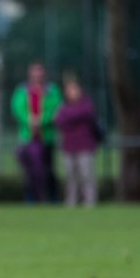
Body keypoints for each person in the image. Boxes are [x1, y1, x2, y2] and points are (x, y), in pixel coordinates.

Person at [10, 62, 62, 203]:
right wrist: (29, 120)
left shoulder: (52, 90)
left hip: (46, 136)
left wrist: (41, 120)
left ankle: (52, 197)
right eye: (34, 72)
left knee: (48, 169)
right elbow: (17, 107)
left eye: (40, 72)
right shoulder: (22, 90)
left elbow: (56, 109)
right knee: (30, 170)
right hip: (28, 136)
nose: (37, 75)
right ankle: (31, 197)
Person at [52, 76, 99, 206]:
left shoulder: (86, 104)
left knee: (86, 175)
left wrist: (69, 116)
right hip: (68, 146)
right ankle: (71, 201)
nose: (72, 92)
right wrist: (73, 117)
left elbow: (83, 114)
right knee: (71, 177)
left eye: (74, 89)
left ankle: (90, 201)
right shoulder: (63, 106)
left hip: (85, 145)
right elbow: (57, 121)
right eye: (69, 90)